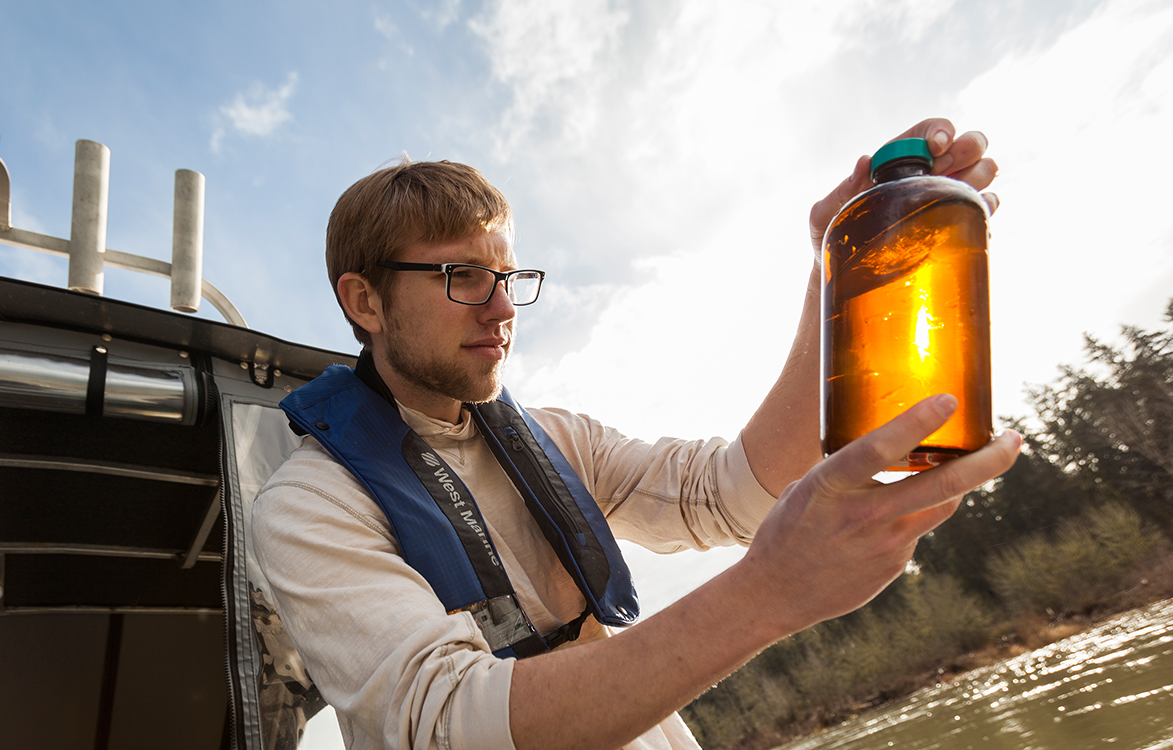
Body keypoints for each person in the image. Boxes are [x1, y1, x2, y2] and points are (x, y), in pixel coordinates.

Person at [250, 118, 1020, 750]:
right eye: (461, 278)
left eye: (508, 278)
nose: (502, 308)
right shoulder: (308, 509)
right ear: (365, 302)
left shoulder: (559, 440)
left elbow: (730, 493)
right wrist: (768, 594)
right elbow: (450, 724)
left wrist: (837, 265)